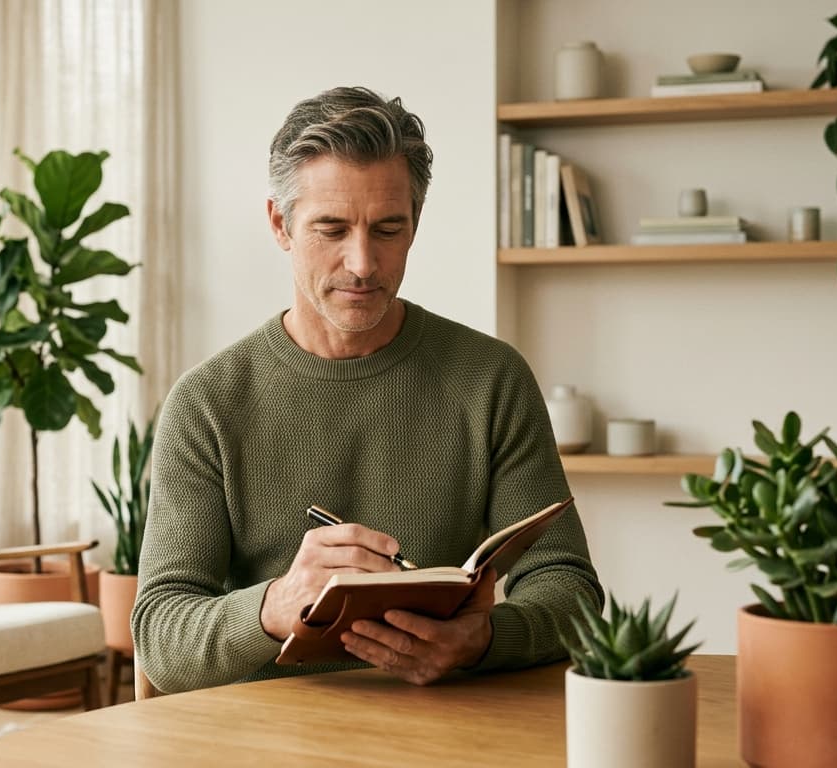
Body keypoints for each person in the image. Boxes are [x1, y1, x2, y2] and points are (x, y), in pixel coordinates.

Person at [131, 86, 602, 693]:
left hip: (448, 729)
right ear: (280, 224)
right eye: (331, 229)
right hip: (259, 740)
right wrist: (278, 604)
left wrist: (484, 639)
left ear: (415, 224)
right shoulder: (208, 403)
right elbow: (161, 635)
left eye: (387, 229)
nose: (362, 263)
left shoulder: (492, 379)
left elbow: (571, 589)